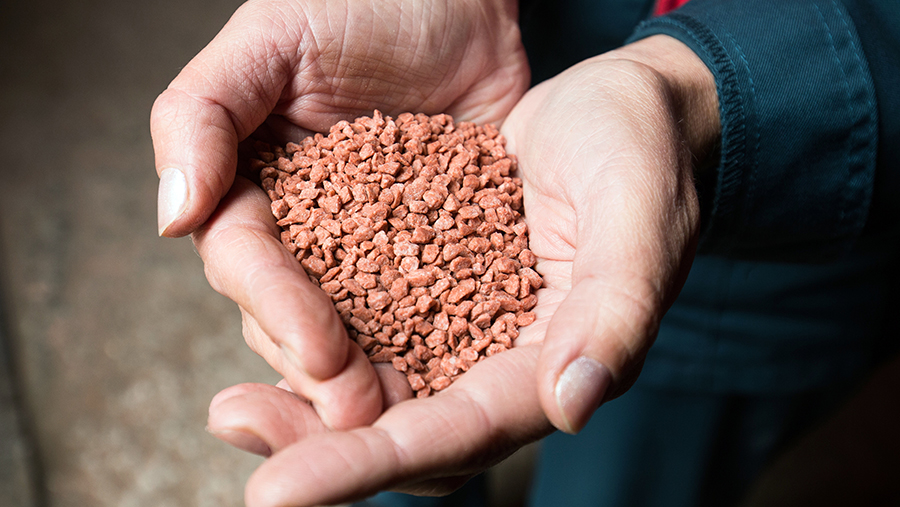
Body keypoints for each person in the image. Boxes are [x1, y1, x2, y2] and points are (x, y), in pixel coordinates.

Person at [150, 0, 900, 506]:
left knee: (622, 481)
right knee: (377, 431)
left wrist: (699, 83)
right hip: (512, 62)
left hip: (774, 237)